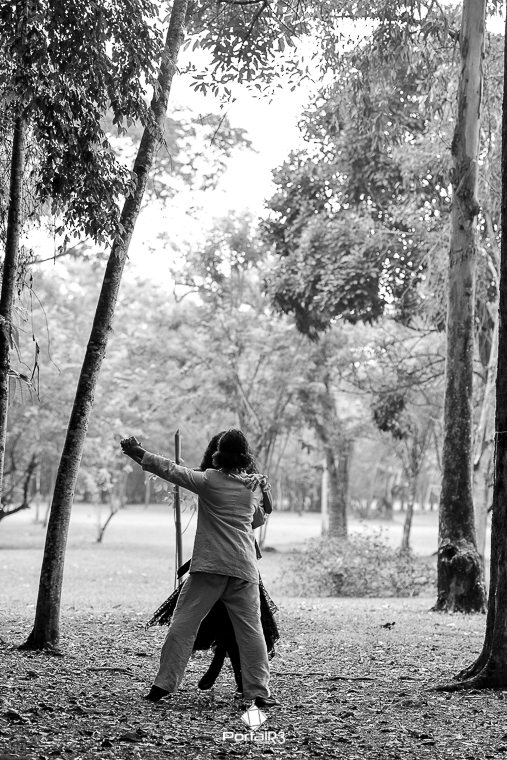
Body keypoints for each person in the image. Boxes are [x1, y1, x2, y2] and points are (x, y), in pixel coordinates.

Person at [120, 429, 279, 708]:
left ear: (218, 454)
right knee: (251, 631)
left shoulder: (208, 480)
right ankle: (258, 692)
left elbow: (171, 470)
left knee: (183, 625)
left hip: (210, 567)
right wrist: (261, 491)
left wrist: (137, 452)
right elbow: (257, 520)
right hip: (243, 568)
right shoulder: (252, 485)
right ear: (245, 456)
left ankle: (163, 685)